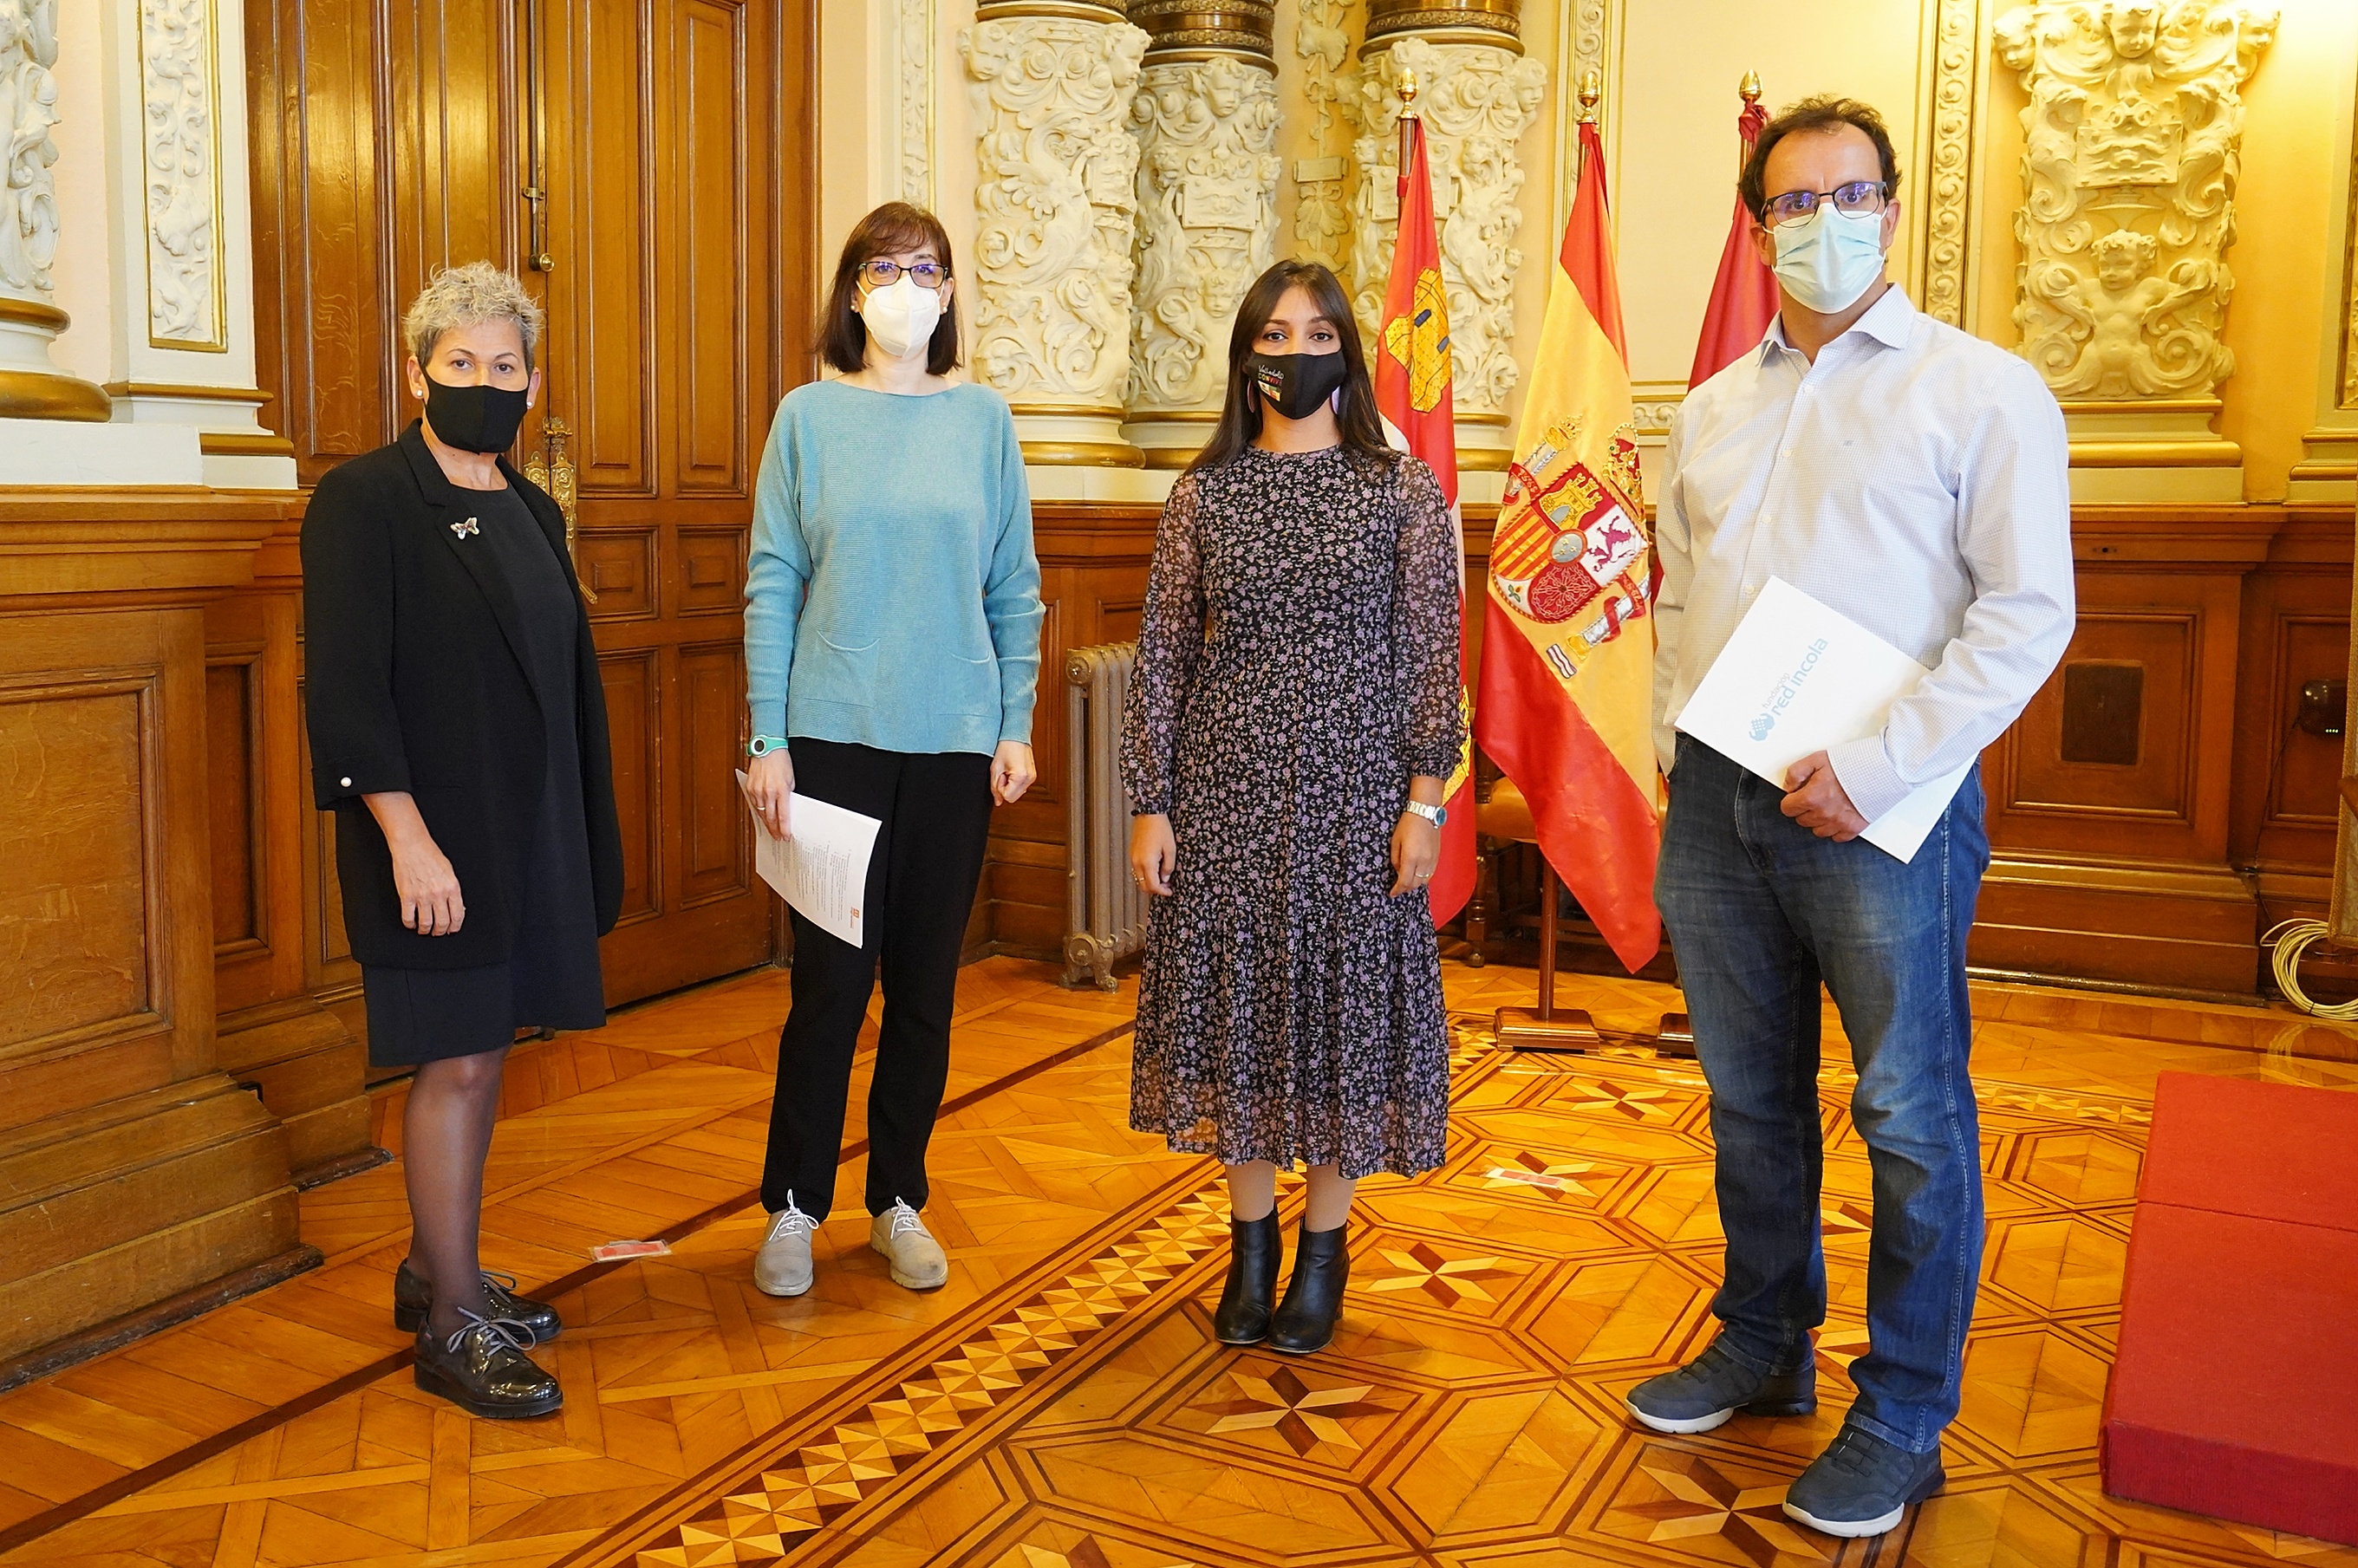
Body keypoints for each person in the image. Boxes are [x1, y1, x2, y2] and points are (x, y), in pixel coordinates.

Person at [1632, 98, 2074, 1537]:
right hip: (1718, 803)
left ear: (1889, 207)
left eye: (1849, 193)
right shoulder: (1710, 408)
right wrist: (1674, 752)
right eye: (1792, 200)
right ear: (1759, 226)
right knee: (1748, 1095)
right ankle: (1766, 1341)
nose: (1822, 219)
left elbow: (2027, 613)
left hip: (1886, 813)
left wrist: (1881, 766)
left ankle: (1902, 1411)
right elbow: (1681, 599)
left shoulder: (1980, 390)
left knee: (1908, 1111)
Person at [1121, 259, 1464, 1357]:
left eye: (1318, 334)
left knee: (1339, 1020)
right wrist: (1149, 801)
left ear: (1347, 355)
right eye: (1274, 334)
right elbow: (1162, 658)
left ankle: (1322, 1253)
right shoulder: (1203, 495)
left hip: (1358, 799)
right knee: (1243, 1016)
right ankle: (1249, 1247)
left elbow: (1430, 658)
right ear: (1245, 358)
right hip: (1224, 793)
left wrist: (1425, 803)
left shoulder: (1399, 489)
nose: (1296, 352)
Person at [303, 261, 624, 1419]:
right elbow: (347, 690)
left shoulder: (530, 506)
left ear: (531, 382)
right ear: (415, 373)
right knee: (458, 1059)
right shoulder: (366, 500)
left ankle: (433, 1267)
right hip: (429, 839)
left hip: (523, 829)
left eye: (504, 365)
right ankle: (450, 1329)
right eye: (459, 363)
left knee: (490, 1050)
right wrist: (407, 839)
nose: (483, 382)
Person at [741, 202, 1042, 1299]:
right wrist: (766, 738)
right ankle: (793, 1205)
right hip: (829, 743)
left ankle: (896, 1197)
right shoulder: (807, 418)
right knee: (828, 989)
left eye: (925, 269)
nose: (904, 286)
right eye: (883, 267)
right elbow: (772, 579)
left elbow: (1014, 584)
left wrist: (1015, 722)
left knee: (923, 990)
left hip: (954, 744)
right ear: (853, 289)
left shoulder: (983, 422)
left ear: (949, 294)